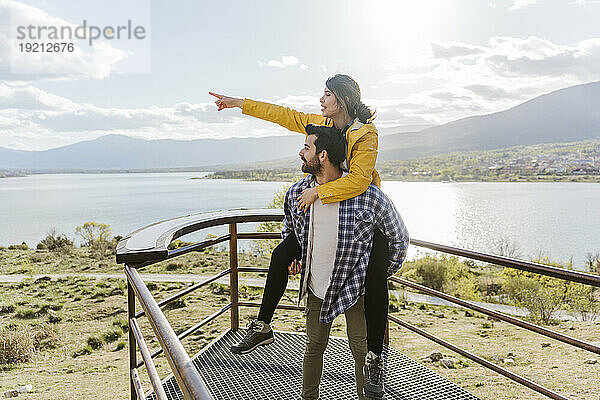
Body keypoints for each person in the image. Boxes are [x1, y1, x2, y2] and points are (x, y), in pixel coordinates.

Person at [210, 74, 391, 397]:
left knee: (375, 276)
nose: (321, 100)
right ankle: (263, 325)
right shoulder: (321, 124)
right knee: (282, 254)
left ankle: (374, 358)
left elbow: (361, 181)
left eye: (327, 95)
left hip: (359, 216)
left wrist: (318, 195)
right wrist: (239, 104)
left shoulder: (366, 134)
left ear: (343, 99)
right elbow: (285, 115)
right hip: (324, 214)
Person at [285, 125, 409, 399]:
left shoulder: (369, 196)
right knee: (313, 347)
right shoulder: (296, 193)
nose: (301, 153)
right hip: (317, 288)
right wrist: (294, 258)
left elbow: (399, 240)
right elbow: (290, 232)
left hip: (357, 291)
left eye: (307, 148)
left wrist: (375, 276)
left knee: (362, 352)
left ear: (323, 155)